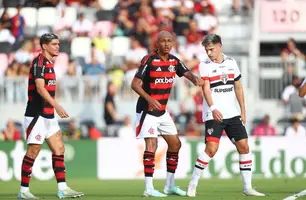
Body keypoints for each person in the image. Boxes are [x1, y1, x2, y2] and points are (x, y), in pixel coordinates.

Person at [186, 34, 265, 197]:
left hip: (232, 113)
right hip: (213, 113)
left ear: (220, 46)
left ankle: (247, 187)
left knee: (244, 147)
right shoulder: (205, 65)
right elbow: (206, 88)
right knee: (211, 149)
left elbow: (238, 86)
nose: (208, 53)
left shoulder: (231, 63)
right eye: (206, 50)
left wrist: (243, 110)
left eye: (211, 49)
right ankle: (193, 183)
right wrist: (213, 108)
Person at [131, 30, 204, 197]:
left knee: (175, 144)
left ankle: (169, 185)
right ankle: (148, 188)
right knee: (152, 146)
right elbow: (134, 84)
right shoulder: (149, 60)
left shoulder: (173, 60)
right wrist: (149, 98)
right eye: (163, 41)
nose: (166, 44)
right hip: (147, 110)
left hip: (162, 112)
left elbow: (186, 73)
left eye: (169, 41)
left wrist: (195, 79)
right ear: (157, 43)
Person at [18, 33, 84, 199]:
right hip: (37, 115)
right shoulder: (38, 62)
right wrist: (57, 105)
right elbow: (40, 89)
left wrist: (53, 108)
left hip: (48, 116)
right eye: (54, 44)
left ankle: (62, 188)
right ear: (44, 46)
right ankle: (23, 191)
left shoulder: (49, 64)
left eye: (58, 44)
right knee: (33, 152)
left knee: (59, 148)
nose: (57, 47)